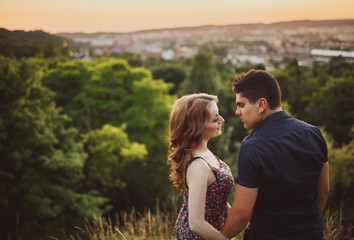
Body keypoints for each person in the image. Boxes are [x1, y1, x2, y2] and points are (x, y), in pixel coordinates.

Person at [222, 70, 330, 240]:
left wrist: (220, 237)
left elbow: (242, 214)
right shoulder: (314, 133)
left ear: (261, 104)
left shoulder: (252, 147)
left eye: (241, 105)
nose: (237, 111)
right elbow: (324, 190)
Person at [168, 93, 234, 240]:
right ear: (197, 126)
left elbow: (217, 198)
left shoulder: (206, 154)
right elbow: (196, 224)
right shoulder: (198, 165)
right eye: (215, 119)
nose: (222, 120)